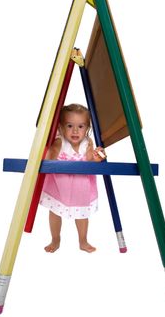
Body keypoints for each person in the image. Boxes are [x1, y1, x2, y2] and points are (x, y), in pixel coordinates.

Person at [40, 103, 106, 253]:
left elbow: (90, 159)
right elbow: (51, 155)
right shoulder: (59, 142)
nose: (75, 130)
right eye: (70, 126)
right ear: (61, 127)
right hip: (59, 185)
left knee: (82, 214)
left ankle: (83, 240)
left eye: (81, 126)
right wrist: (49, 153)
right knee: (55, 211)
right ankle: (55, 239)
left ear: (87, 128)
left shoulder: (87, 143)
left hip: (81, 186)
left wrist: (97, 157)